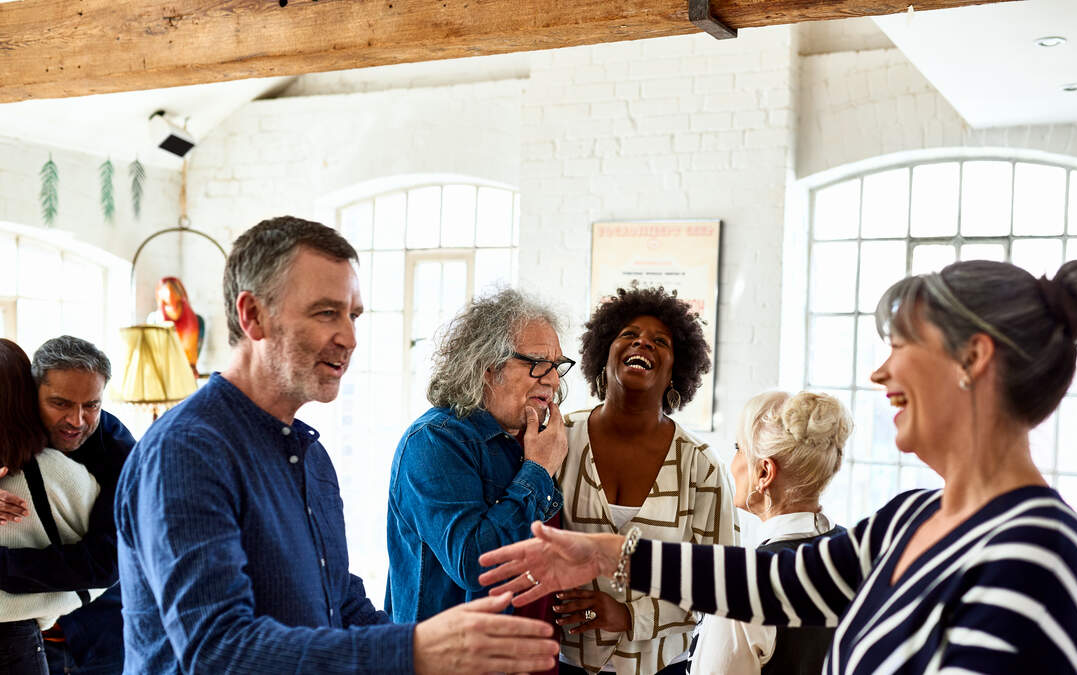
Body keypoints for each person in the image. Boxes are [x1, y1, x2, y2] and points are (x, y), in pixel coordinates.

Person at [480, 260, 1077, 674]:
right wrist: (604, 553)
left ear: (973, 359)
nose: (880, 372)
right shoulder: (912, 518)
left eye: (902, 346)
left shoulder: (1038, 559)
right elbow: (775, 583)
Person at [116, 216, 558, 674]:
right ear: (253, 316)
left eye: (353, 315)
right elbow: (219, 651)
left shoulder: (310, 455)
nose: (349, 338)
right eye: (326, 312)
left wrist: (435, 650)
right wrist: (411, 650)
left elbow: (339, 604)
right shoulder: (186, 452)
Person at [552, 286, 736, 675]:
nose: (643, 342)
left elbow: (719, 579)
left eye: (661, 341)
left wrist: (628, 615)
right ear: (603, 355)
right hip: (565, 663)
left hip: (661, 667)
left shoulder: (701, 466)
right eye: (629, 334)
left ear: (675, 372)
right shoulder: (558, 440)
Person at [385, 288, 570, 628]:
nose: (554, 380)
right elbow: (476, 564)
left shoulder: (537, 440)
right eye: (537, 364)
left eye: (557, 366)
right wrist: (538, 470)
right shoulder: (434, 441)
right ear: (487, 366)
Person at [0, 335, 136, 675]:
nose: (77, 420)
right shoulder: (13, 434)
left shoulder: (121, 455)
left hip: (97, 636)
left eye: (92, 405)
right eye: (60, 403)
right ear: (31, 394)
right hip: (26, 635)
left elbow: (105, 563)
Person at [691, 390, 849, 675]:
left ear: (764, 472)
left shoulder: (745, 586)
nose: (732, 463)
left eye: (738, 447)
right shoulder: (855, 551)